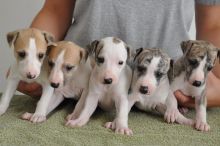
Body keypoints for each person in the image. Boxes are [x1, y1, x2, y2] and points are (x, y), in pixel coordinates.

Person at [13, 0, 220, 108]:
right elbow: (56, 9)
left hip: (170, 94)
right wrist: (34, 60)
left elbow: (212, 24)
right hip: (77, 88)